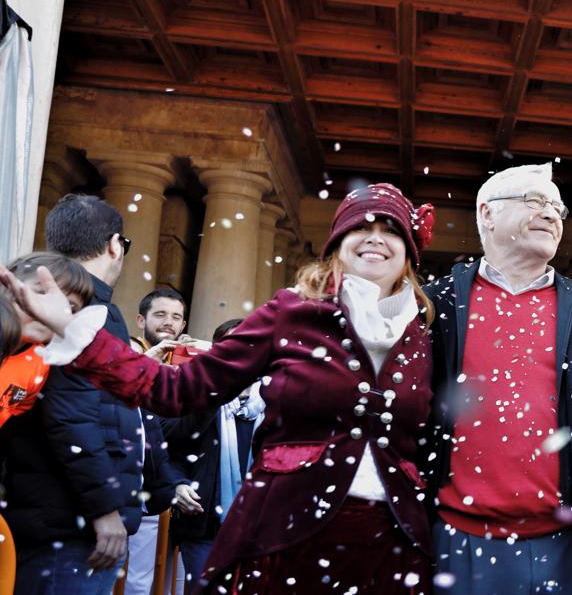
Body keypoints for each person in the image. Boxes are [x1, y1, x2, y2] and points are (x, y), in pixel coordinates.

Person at [1, 183, 439, 594]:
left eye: (391, 230)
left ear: (409, 252)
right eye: (362, 227)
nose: (375, 238)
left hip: (395, 539)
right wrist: (70, 326)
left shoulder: (424, 333)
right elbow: (177, 390)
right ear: (337, 245)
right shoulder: (293, 311)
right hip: (288, 531)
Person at [423, 163, 572, 595]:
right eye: (534, 201)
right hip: (455, 539)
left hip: (570, 543)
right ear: (487, 214)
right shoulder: (434, 304)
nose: (551, 214)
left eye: (557, 206)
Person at [2, 195, 149, 594]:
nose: (54, 317)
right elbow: (73, 417)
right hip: (64, 521)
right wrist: (103, 509)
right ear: (116, 245)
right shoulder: (92, 316)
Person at [160, 317, 265, 589]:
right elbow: (167, 447)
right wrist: (177, 484)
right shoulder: (196, 395)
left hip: (261, 526)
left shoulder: (276, 399)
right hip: (205, 523)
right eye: (231, 347)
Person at [124, 286, 196, 595]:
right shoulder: (124, 355)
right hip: (127, 482)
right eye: (160, 315)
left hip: (171, 484)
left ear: (183, 326)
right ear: (141, 320)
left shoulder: (192, 366)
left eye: (176, 317)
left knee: (151, 582)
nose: (168, 322)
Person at [0, 253, 93, 429]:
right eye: (41, 293)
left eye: (70, 307)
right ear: (8, 284)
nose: (50, 309)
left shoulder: (40, 363)